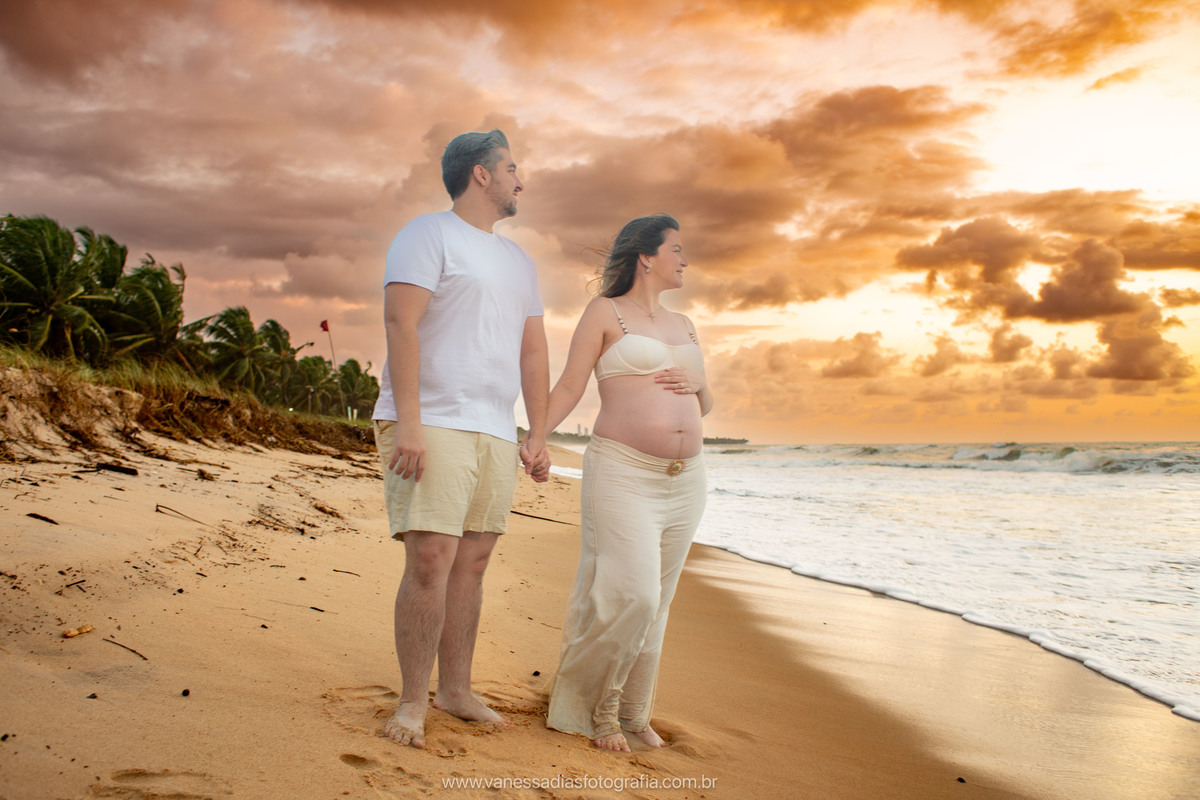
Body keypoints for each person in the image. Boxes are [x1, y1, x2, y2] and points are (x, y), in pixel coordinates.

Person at [371, 129, 551, 749]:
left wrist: (539, 432)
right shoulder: (426, 235)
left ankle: (456, 689)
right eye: (512, 167)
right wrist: (412, 423)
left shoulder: (519, 261)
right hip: (432, 421)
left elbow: (533, 350)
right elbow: (401, 321)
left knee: (472, 562)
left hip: (495, 430)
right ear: (481, 174)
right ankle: (411, 703)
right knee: (431, 559)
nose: (520, 179)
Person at [543, 214, 711, 752]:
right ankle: (600, 711)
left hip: (686, 480)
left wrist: (700, 385)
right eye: (676, 249)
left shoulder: (684, 323)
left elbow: (703, 404)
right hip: (623, 470)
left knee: (658, 603)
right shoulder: (605, 312)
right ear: (647, 256)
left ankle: (637, 713)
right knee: (631, 595)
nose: (684, 260)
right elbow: (571, 381)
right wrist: (536, 436)